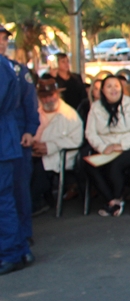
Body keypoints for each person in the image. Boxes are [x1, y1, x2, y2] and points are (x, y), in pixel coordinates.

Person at [84, 74, 130, 217]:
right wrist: (102, 147)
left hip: (129, 146)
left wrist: (121, 145)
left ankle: (117, 199)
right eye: (109, 86)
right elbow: (90, 132)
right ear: (103, 91)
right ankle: (112, 200)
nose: (113, 89)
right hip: (105, 147)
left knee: (115, 166)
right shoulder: (96, 107)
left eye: (116, 86)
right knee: (88, 165)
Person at [1, 46, 39, 274]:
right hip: (6, 138)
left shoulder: (9, 68)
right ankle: (18, 248)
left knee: (7, 198)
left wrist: (30, 128)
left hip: (6, 140)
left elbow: (28, 102)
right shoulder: (6, 67)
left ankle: (12, 252)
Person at [29, 76, 83, 215]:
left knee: (38, 168)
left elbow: (77, 140)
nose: (48, 100)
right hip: (34, 152)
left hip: (60, 155)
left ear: (57, 94)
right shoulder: (34, 111)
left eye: (51, 95)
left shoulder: (69, 115)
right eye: (44, 97)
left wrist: (50, 146)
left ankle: (36, 202)